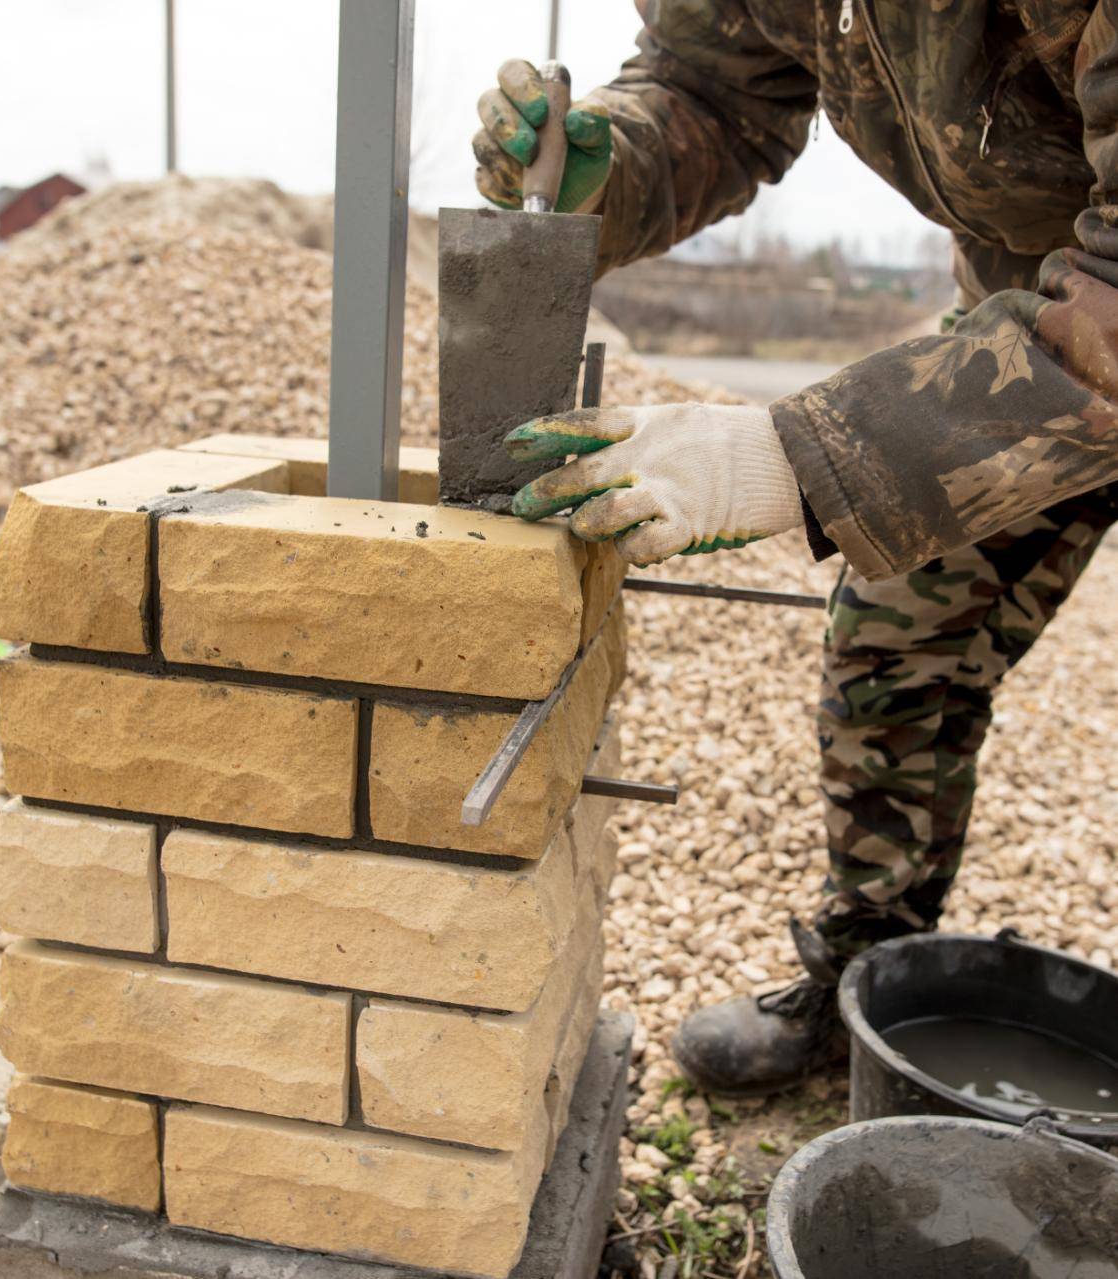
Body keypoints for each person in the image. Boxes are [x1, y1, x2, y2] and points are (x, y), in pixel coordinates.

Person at [474, 2, 1118, 1095]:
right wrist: (609, 167)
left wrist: (796, 458)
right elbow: (713, 93)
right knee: (901, 640)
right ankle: (868, 985)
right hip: (1031, 315)